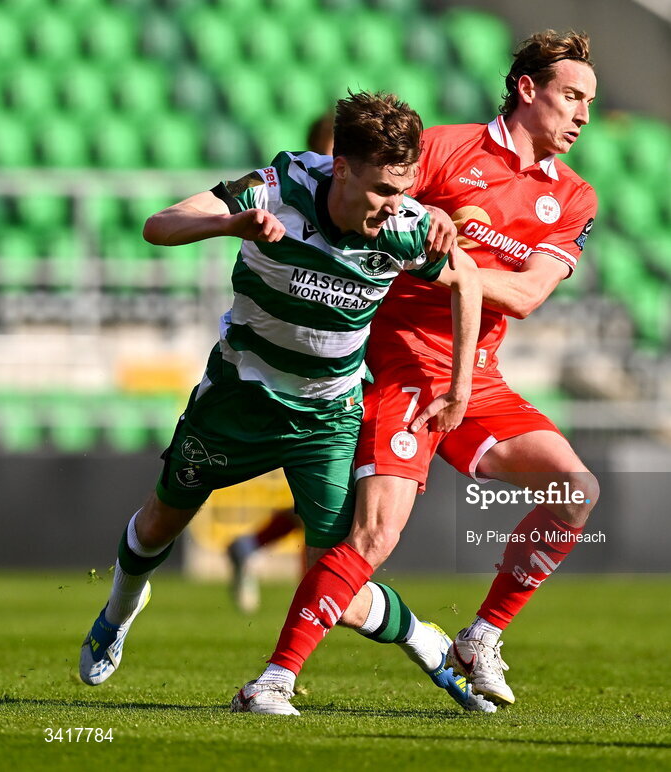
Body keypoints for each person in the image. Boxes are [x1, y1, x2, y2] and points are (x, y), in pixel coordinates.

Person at [78, 91, 486, 713]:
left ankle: (426, 642)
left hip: (325, 417)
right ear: (340, 167)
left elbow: (469, 281)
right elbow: (157, 225)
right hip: (239, 396)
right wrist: (228, 224)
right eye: (380, 188)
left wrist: (459, 388)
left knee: (335, 584)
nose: (391, 206)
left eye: (402, 189)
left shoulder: (405, 226)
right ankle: (119, 611)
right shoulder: (275, 188)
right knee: (160, 521)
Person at [235, 30, 599, 714]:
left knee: (574, 488)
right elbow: (353, 207)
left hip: (474, 374)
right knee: (370, 540)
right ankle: (274, 680)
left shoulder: (574, 198)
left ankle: (479, 639)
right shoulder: (440, 148)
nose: (582, 115)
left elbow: (526, 295)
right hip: (395, 363)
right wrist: (415, 215)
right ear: (527, 90)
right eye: (571, 96)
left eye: (588, 102)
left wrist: (441, 255)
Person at [225, 110, 333, 615]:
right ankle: (298, 635)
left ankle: (249, 547)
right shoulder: (292, 204)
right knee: (322, 507)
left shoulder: (376, 215)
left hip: (340, 367)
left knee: (326, 504)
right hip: (295, 372)